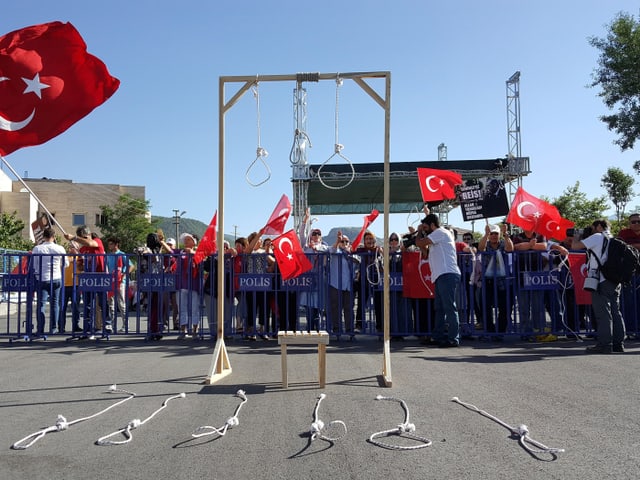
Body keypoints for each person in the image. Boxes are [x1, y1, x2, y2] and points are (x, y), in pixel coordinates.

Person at [572, 219, 626, 354]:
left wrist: (577, 235)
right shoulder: (614, 238)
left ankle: (605, 344)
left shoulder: (597, 237)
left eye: (593, 227)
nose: (591, 230)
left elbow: (575, 246)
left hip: (601, 280)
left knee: (603, 314)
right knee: (616, 312)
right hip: (615, 280)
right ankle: (618, 344)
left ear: (599, 226)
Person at [415, 209, 462, 347]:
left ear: (432, 225)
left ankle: (453, 338)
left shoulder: (440, 232)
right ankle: (438, 336)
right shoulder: (437, 236)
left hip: (447, 274)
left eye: (425, 227)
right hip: (441, 275)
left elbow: (419, 243)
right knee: (440, 308)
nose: (424, 230)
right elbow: (425, 251)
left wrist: (418, 232)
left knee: (449, 307)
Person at [64, 226, 111, 336]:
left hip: (100, 276)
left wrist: (74, 238)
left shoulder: (97, 241)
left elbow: (91, 244)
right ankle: (88, 327)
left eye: (84, 238)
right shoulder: (82, 250)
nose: (83, 240)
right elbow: (80, 266)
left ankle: (107, 324)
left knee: (102, 302)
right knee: (88, 304)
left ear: (88, 235)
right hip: (88, 277)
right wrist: (81, 264)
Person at [477, 223, 514, 339]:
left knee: (505, 307)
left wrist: (506, 235)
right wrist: (486, 234)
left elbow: (510, 248)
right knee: (486, 307)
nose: (493, 236)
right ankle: (491, 331)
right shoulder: (486, 243)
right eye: (491, 234)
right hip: (488, 281)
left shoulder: (503, 243)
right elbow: (480, 248)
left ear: (499, 235)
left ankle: (500, 331)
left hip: (503, 282)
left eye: (495, 234)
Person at [512, 228, 547, 339]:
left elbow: (544, 246)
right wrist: (531, 245)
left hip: (537, 276)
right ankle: (525, 332)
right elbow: (516, 247)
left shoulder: (540, 236)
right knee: (523, 307)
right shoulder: (517, 236)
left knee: (538, 306)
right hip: (521, 275)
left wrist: (528, 246)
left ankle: (539, 330)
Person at [31, 227, 66, 335]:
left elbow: (35, 265)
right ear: (54, 236)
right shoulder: (60, 248)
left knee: (41, 305)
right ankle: (54, 328)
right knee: (55, 304)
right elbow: (66, 264)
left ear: (43, 236)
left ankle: (40, 329)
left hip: (42, 278)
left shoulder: (37, 249)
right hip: (56, 278)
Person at [328, 231, 358, 337]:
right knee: (336, 308)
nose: (344, 243)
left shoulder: (352, 254)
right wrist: (337, 240)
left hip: (348, 285)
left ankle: (350, 330)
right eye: (342, 241)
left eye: (346, 241)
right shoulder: (336, 252)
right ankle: (337, 330)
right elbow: (331, 250)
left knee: (349, 308)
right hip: (335, 284)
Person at [354, 230, 383, 333]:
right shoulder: (361, 250)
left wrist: (382, 252)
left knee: (378, 303)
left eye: (371, 238)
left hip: (377, 280)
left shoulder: (379, 250)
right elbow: (352, 249)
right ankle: (359, 325)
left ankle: (380, 326)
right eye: (367, 239)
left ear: (374, 240)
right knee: (362, 303)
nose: (369, 241)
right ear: (364, 241)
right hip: (364, 280)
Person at [177, 232, 202, 339]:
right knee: (182, 308)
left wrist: (193, 253)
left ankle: (195, 330)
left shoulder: (198, 252)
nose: (186, 241)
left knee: (194, 308)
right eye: (185, 240)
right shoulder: (181, 252)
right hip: (182, 284)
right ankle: (183, 330)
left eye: (189, 240)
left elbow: (201, 264)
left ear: (193, 242)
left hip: (194, 284)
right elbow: (170, 252)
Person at [106, 237, 131, 332]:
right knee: (111, 304)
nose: (109, 246)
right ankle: (112, 325)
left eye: (111, 244)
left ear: (116, 245)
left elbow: (130, 266)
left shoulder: (122, 254)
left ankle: (126, 325)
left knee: (121, 304)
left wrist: (124, 274)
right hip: (110, 281)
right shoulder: (108, 255)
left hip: (120, 282)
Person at [61, 241, 82, 333]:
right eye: (70, 247)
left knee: (75, 307)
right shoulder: (65, 257)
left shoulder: (80, 258)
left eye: (74, 247)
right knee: (62, 307)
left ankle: (75, 325)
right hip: (64, 285)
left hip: (76, 285)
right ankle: (61, 326)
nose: (71, 248)